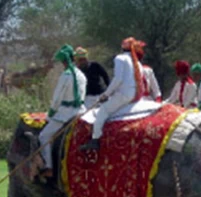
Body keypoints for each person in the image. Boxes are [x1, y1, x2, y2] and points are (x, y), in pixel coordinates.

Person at [81, 37, 144, 151]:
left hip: (124, 94)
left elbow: (118, 79)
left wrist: (106, 94)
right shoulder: (137, 63)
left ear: (122, 48)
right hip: (134, 95)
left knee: (103, 110)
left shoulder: (120, 58)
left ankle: (95, 139)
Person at [39, 44, 86, 178]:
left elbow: (57, 98)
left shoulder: (66, 76)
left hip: (66, 113)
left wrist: (52, 112)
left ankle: (49, 167)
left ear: (64, 61)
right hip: (82, 111)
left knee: (44, 136)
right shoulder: (82, 75)